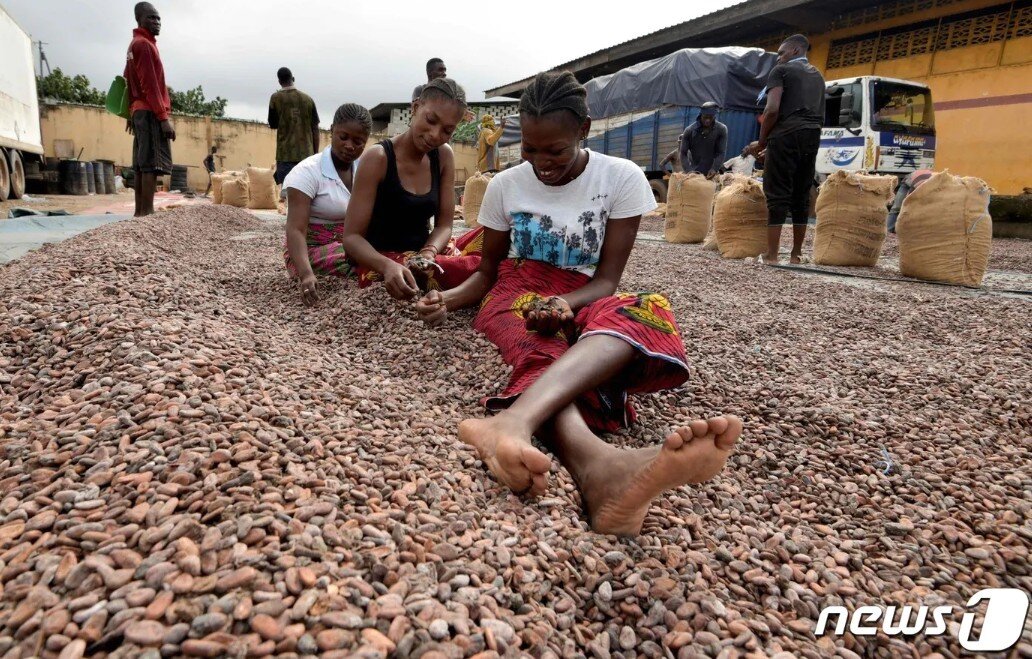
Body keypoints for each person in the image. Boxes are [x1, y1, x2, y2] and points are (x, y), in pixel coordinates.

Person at [413, 72, 741, 537]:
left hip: (585, 291)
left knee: (646, 307)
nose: (541, 162)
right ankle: (600, 465)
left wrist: (565, 302)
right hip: (515, 289)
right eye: (530, 149)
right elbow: (487, 273)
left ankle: (512, 423)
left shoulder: (620, 177)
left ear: (584, 130)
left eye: (555, 150)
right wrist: (445, 298)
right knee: (541, 340)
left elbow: (608, 279)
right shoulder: (505, 185)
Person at [341, 78, 482, 298]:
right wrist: (387, 266)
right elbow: (351, 239)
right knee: (465, 272)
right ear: (415, 107)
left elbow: (444, 226)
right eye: (431, 120)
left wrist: (429, 252)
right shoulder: (378, 158)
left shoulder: (443, 156)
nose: (436, 134)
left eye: (447, 130)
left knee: (492, 244)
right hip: (380, 258)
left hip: (423, 254)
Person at [746, 34, 825, 264]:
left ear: (796, 51)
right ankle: (796, 254)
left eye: (781, 53)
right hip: (812, 136)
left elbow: (771, 110)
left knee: (777, 192)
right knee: (801, 193)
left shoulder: (781, 72)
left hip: (786, 136)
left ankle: (771, 255)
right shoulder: (818, 75)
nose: (778, 58)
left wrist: (762, 143)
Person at [283, 104, 372, 306]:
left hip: (351, 242)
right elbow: (295, 229)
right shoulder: (307, 172)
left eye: (358, 142)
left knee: (382, 254)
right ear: (332, 130)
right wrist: (306, 274)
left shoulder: (366, 170)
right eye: (343, 137)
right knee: (369, 262)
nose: (350, 146)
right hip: (309, 250)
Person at [124, 2, 175, 217]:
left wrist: (130, 113)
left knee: (141, 163)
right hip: (149, 110)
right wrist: (163, 118)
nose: (157, 22)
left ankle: (140, 213)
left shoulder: (134, 45)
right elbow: (150, 84)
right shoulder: (143, 44)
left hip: (139, 110)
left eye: (158, 19)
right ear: (140, 20)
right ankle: (147, 213)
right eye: (151, 18)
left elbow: (127, 79)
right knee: (151, 164)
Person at [268, 67, 320, 191]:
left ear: (279, 82)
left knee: (288, 194)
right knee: (307, 192)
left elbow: (273, 124)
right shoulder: (308, 99)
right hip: (307, 156)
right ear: (293, 79)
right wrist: (315, 154)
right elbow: (315, 129)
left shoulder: (275, 98)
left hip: (285, 156)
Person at [679, 102, 727, 178]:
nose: (708, 120)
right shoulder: (689, 131)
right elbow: (683, 153)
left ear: (714, 116)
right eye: (705, 117)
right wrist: (688, 171)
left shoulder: (721, 129)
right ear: (701, 115)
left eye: (710, 117)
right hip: (694, 173)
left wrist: (714, 169)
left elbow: (721, 152)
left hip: (711, 174)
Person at [886, 168, 933, 233]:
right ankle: (888, 230)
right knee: (897, 208)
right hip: (907, 183)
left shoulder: (935, 186)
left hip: (919, 180)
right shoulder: (921, 184)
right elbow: (908, 199)